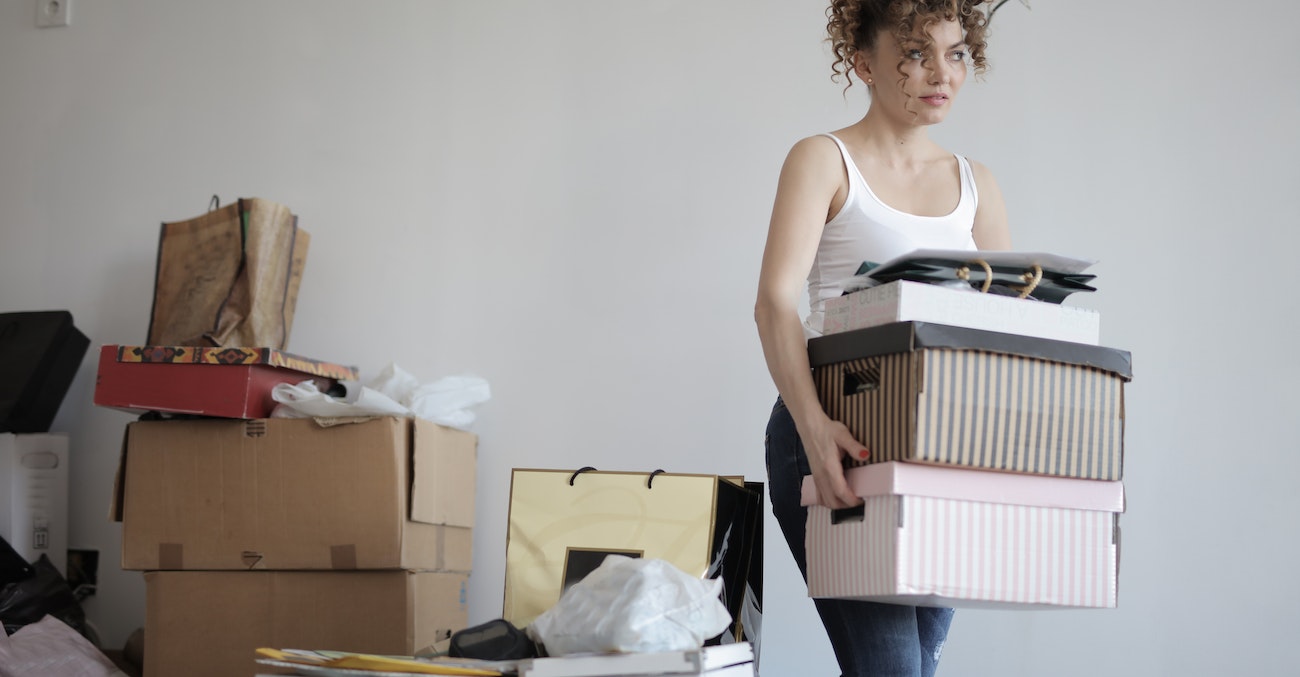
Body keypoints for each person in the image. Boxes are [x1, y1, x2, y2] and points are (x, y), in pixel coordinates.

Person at [754, 1, 1012, 675]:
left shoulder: (976, 185)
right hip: (837, 432)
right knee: (894, 669)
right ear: (864, 62)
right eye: (917, 52)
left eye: (956, 53)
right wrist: (814, 433)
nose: (943, 72)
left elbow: (1005, 333)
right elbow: (775, 304)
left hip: (942, 452)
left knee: (914, 668)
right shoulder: (823, 160)